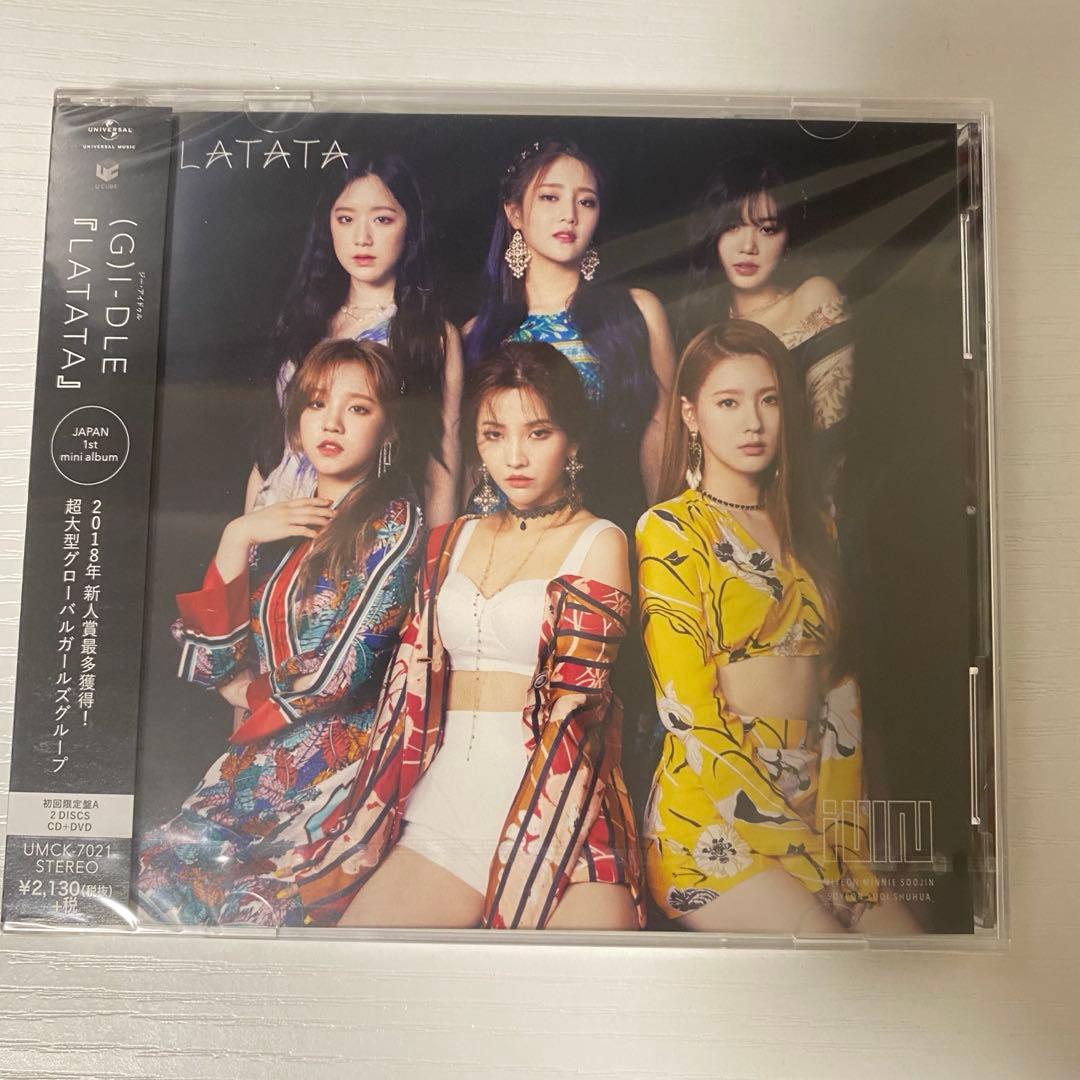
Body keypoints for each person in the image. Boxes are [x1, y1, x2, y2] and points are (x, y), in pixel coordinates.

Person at [305, 341, 644, 930]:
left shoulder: (601, 542)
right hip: (448, 810)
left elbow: (578, 714)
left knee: (578, 977)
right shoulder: (451, 541)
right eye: (494, 434)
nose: (515, 456)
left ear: (573, 442)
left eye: (538, 433)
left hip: (562, 814)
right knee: (352, 957)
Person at [636, 320, 916, 934]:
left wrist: (843, 840)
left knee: (905, 948)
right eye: (728, 403)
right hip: (711, 820)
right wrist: (804, 851)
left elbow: (840, 690)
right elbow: (691, 716)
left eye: (768, 400)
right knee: (831, 955)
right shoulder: (670, 529)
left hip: (818, 804)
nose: (753, 423)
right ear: (690, 415)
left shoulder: (815, 526)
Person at [137, 339, 423, 927]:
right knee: (149, 876)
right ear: (296, 421)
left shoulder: (395, 522)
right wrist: (237, 535)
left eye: (358, 408)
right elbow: (207, 663)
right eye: (317, 404)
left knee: (250, 908)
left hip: (342, 767)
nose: (332, 423)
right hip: (254, 765)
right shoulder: (281, 518)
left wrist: (248, 692)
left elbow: (344, 669)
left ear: (389, 427)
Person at [464, 137, 674, 530]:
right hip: (507, 533)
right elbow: (474, 461)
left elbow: (661, 432)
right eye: (550, 197)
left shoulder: (636, 312)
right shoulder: (480, 333)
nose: (570, 216)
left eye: (586, 202)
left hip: (609, 525)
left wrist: (660, 538)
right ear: (514, 213)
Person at [250, 150, 462, 525]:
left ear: (410, 226)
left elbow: (441, 466)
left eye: (382, 219)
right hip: (276, 522)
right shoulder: (303, 321)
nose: (362, 238)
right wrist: (247, 533)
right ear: (328, 225)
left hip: (365, 531)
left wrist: (436, 556)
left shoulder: (429, 336)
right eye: (346, 219)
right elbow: (271, 454)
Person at [678, 154, 854, 499]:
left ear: (787, 239)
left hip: (800, 505)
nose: (748, 247)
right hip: (713, 508)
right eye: (732, 227)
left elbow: (832, 440)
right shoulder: (701, 320)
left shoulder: (813, 300)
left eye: (767, 229)